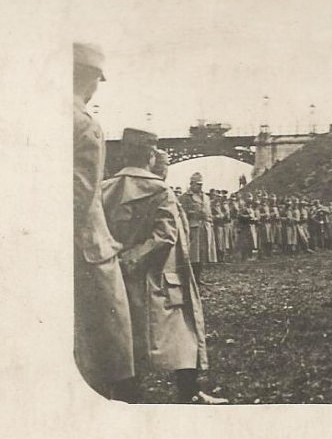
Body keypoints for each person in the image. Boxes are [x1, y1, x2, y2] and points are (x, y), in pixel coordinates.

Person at [102, 129, 226, 404]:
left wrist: (118, 259)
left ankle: (128, 395)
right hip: (160, 277)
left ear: (123, 154)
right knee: (183, 333)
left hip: (117, 276)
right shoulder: (160, 191)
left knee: (125, 337)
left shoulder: (105, 189)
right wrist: (134, 258)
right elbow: (166, 236)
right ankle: (189, 391)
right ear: (150, 155)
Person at [72, 42, 134, 400]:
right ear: (91, 78)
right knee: (107, 337)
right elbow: (80, 196)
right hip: (86, 246)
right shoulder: (83, 124)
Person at [179, 173, 218, 284]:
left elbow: (209, 212)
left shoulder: (205, 197)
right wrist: (192, 215)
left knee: (202, 254)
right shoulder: (185, 197)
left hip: (205, 228)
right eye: (197, 184)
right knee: (192, 255)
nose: (200, 187)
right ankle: (189, 279)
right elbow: (182, 214)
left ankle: (198, 278)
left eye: (201, 184)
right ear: (191, 184)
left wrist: (209, 221)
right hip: (193, 228)